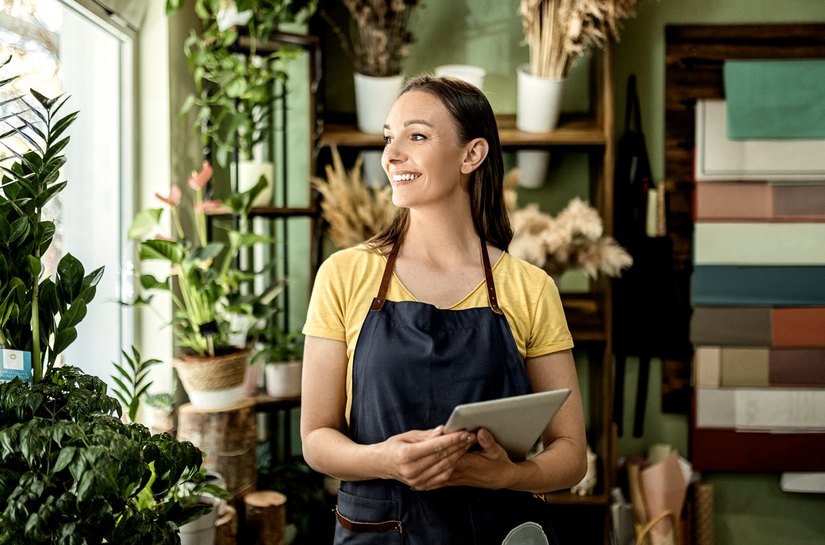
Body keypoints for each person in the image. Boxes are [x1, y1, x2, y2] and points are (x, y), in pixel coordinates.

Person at [300, 74, 587, 545]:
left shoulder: (530, 288)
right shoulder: (344, 275)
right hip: (379, 534)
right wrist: (386, 460)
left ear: (471, 154)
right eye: (389, 137)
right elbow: (316, 439)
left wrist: (507, 476)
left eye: (417, 136)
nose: (391, 155)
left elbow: (572, 455)